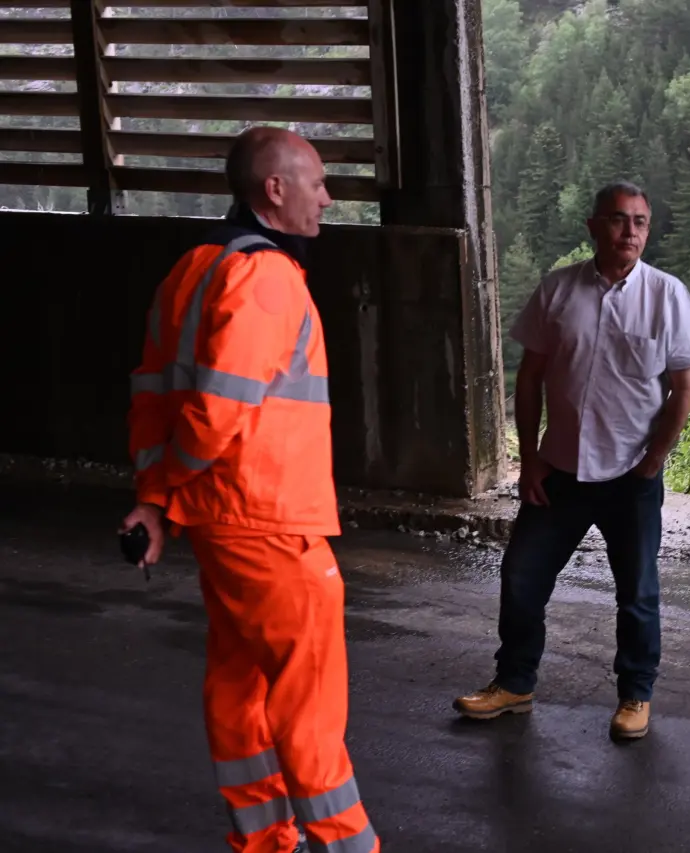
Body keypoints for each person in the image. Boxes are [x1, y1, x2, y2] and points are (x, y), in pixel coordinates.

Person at [121, 126, 380, 853]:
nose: (327, 199)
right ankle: (347, 844)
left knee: (239, 687)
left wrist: (157, 497)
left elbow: (151, 397)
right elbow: (217, 413)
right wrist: (170, 485)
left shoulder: (189, 270)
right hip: (269, 519)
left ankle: (267, 840)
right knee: (308, 702)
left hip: (220, 524)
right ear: (275, 189)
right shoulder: (266, 277)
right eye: (317, 184)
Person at [453, 181, 690, 741]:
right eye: (618, 220)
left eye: (640, 222)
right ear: (594, 227)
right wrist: (529, 459)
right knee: (522, 577)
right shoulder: (558, 290)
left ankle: (635, 694)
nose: (630, 232)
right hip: (561, 470)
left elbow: (685, 387)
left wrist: (654, 460)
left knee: (637, 593)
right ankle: (514, 684)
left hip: (631, 475)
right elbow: (530, 378)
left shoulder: (667, 295)